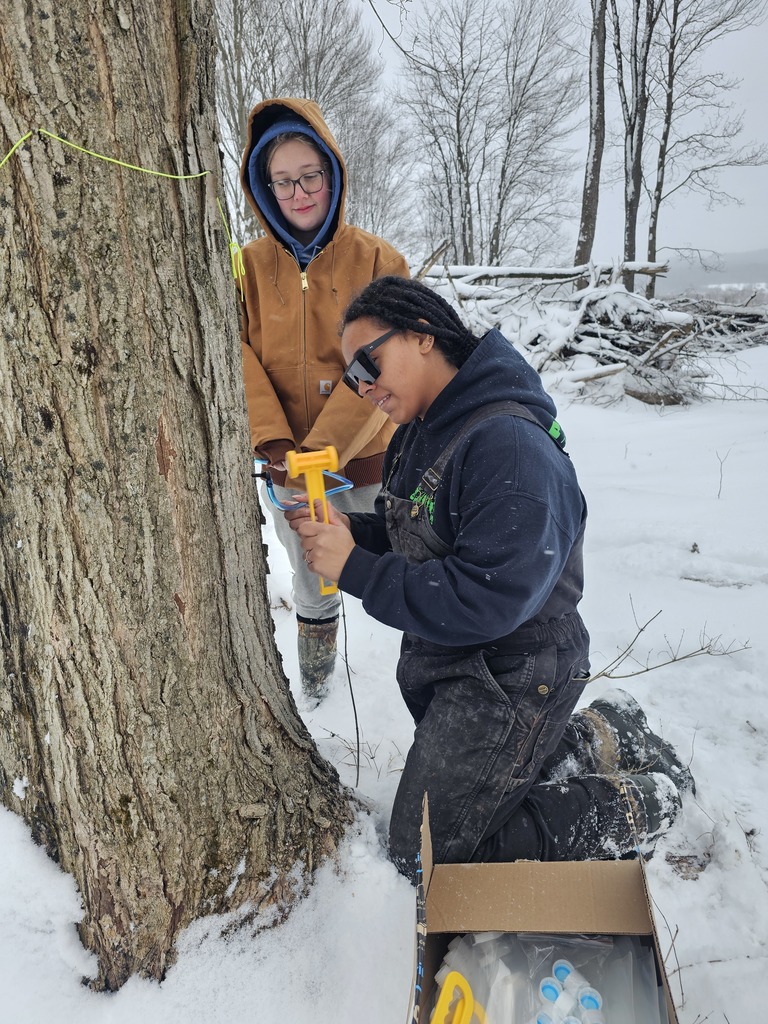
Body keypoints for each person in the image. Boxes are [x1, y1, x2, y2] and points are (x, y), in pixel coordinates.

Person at [285, 275, 694, 879]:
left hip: (516, 668)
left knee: (427, 853)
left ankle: (640, 805)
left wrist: (357, 568)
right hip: (464, 659)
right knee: (452, 814)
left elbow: (488, 596)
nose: (364, 386)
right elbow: (417, 535)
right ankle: (605, 732)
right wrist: (348, 533)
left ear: (423, 337)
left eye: (369, 361)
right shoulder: (423, 430)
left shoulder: (509, 445)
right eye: (353, 376)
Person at [237, 98, 409, 705]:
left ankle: (427, 685)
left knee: (396, 570)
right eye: (282, 181)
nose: (299, 192)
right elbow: (237, 356)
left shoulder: (379, 262)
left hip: (365, 464)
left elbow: (386, 366)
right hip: (285, 464)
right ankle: (319, 687)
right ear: (264, 186)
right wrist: (279, 446)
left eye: (310, 175)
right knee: (313, 579)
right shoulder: (246, 269)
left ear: (332, 173)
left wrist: (321, 451)